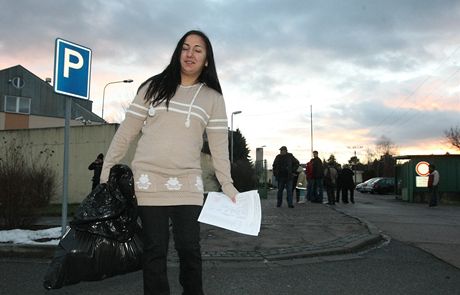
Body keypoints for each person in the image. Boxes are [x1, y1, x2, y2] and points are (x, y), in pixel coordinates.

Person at [99, 30, 239, 295]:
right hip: (149, 181)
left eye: (198, 49)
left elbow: (220, 147)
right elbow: (125, 133)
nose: (190, 54)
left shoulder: (213, 99)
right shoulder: (152, 87)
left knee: (190, 249)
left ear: (207, 60)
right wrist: (106, 172)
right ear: (178, 53)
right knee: (154, 251)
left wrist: (227, 184)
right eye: (186, 48)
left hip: (188, 183)